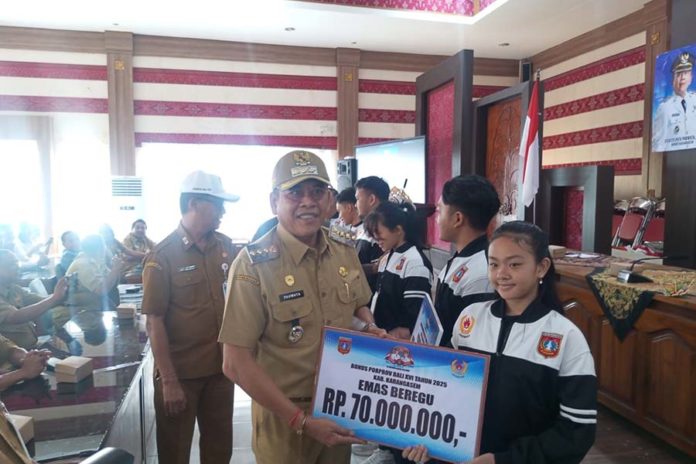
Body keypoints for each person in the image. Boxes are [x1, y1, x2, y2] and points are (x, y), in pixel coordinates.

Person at [219, 149, 384, 464]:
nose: (308, 202)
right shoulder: (253, 266)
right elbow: (235, 362)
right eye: (294, 192)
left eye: (317, 192)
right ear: (274, 202)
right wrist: (301, 421)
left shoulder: (343, 249)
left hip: (340, 407)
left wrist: (371, 328)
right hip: (284, 417)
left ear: (329, 199)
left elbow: (357, 307)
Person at [403, 221, 597, 464]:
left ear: (541, 267)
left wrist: (502, 460)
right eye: (494, 264)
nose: (501, 274)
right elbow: (447, 391)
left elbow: (577, 431)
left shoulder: (566, 337)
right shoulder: (471, 318)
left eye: (514, 264)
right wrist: (427, 439)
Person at [142, 170, 239, 464]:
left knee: (219, 449)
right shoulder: (162, 257)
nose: (223, 212)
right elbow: (154, 321)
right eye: (217, 204)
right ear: (194, 203)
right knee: (175, 451)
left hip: (221, 370)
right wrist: (169, 381)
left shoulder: (225, 247)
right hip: (180, 375)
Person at [361, 201, 433, 464]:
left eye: (379, 233)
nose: (375, 239)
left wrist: (395, 333)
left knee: (398, 405)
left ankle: (395, 453)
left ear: (399, 230)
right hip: (382, 338)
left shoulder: (415, 262)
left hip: (398, 346)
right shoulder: (390, 254)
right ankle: (384, 447)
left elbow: (414, 316)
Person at [434, 175, 501, 347]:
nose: (437, 219)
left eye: (439, 211)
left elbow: (472, 341)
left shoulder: (482, 272)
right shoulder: (462, 256)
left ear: (458, 219)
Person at [0, 250, 67, 349]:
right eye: (11, 264)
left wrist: (63, 295)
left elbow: (39, 300)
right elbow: (15, 316)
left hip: (32, 347)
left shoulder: (13, 288)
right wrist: (54, 298)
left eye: (17, 263)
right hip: (15, 355)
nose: (17, 267)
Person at [652, 51, 696, 151]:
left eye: (686, 73)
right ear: (673, 79)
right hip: (676, 158)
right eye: (679, 74)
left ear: (691, 77)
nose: (682, 78)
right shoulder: (665, 108)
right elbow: (658, 145)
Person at [355, 176, 390, 291]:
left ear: (371, 199)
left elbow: (381, 268)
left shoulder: (386, 231)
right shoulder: (363, 228)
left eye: (357, 199)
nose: (355, 205)